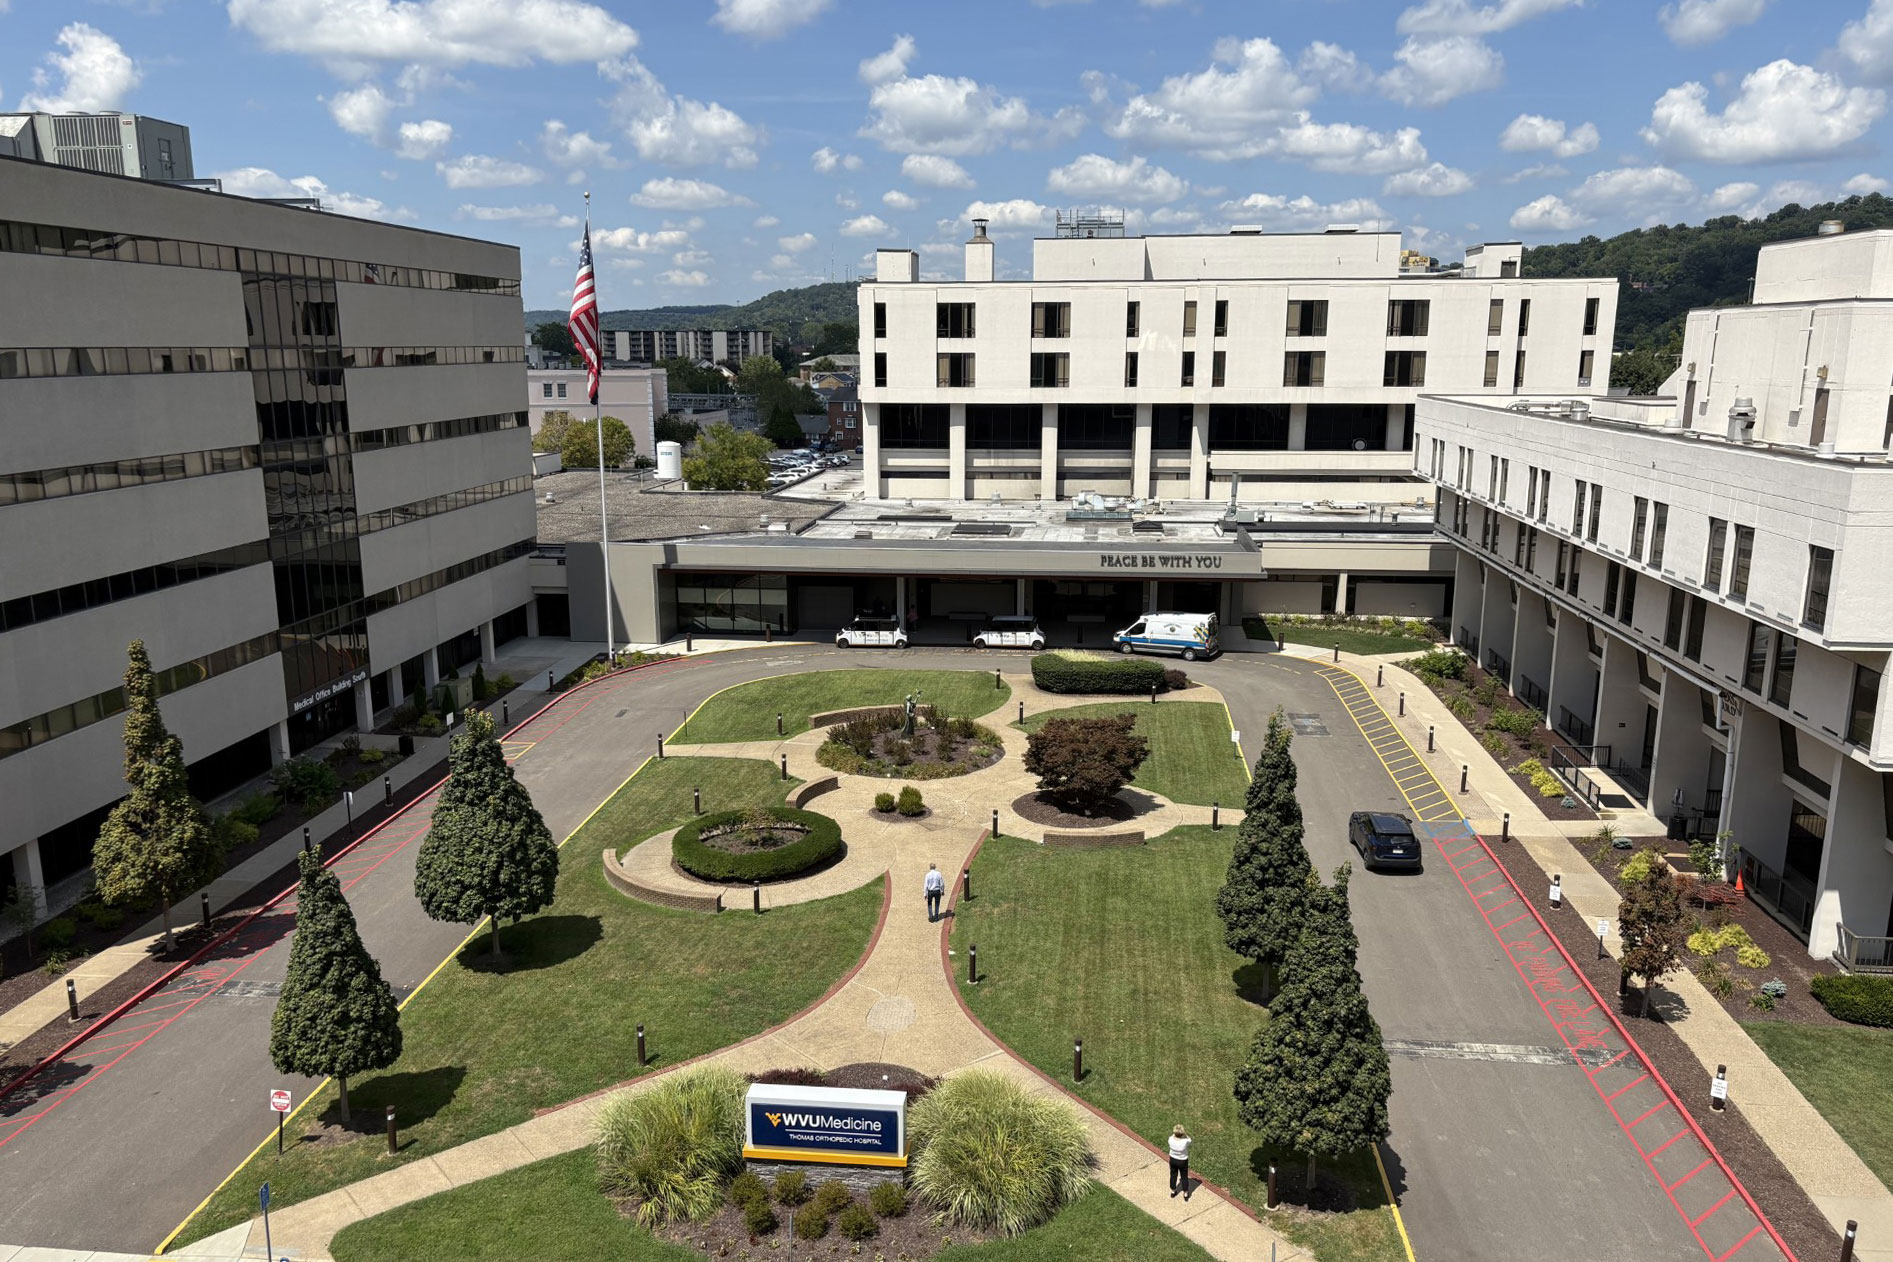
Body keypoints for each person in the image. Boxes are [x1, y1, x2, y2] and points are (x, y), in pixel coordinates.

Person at [1168, 1125, 1192, 1199]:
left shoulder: (1170, 1139)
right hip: (1182, 1161)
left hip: (1173, 1159)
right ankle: (1185, 1193)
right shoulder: (1185, 1141)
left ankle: (1173, 1191)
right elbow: (1189, 1140)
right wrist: (1185, 1135)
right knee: (1184, 1176)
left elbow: (1172, 1136)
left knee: (1173, 1175)